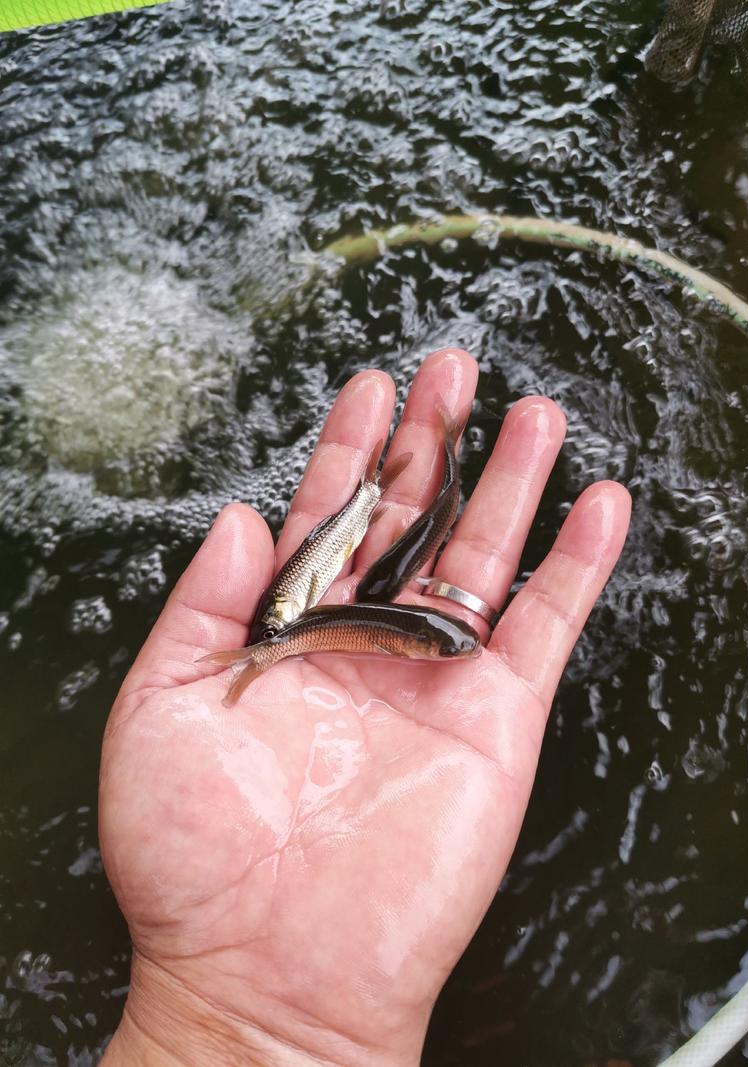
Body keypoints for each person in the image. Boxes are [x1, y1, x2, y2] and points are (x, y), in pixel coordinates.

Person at [99, 347, 631, 1066]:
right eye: (444, 650)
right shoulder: (344, 620)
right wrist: (222, 1009)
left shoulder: (355, 616)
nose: (450, 657)